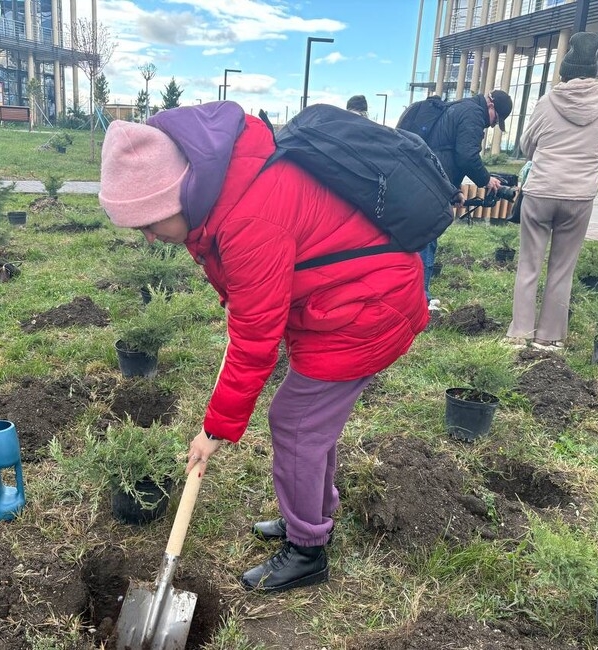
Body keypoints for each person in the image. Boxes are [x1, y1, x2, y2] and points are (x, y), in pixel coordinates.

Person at [98, 102, 428, 593]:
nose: (148, 237)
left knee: (295, 422)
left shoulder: (251, 218)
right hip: (343, 299)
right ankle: (312, 516)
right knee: (310, 423)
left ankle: (307, 550)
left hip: (368, 308)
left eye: (152, 222)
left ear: (183, 190)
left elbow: (255, 340)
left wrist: (213, 430)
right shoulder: (224, 189)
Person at [504, 32, 598, 351]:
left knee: (529, 264)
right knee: (562, 268)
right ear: (594, 70)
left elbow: (527, 145)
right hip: (580, 195)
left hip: (541, 191)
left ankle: (520, 333)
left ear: (564, 71)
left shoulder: (547, 101)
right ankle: (549, 337)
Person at [409, 88, 513, 312]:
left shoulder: (462, 107)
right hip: (432, 183)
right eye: (496, 119)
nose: (493, 125)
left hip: (427, 179)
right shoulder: (473, 114)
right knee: (427, 238)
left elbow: (447, 153)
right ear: (491, 106)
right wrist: (486, 180)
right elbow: (466, 156)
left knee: (422, 237)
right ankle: (420, 299)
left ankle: (417, 293)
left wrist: (454, 191)